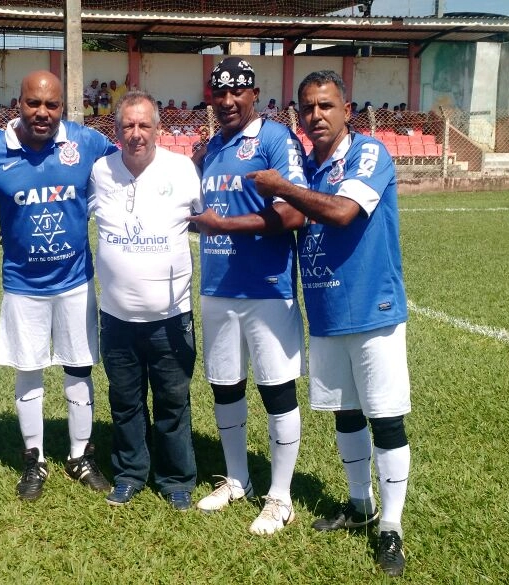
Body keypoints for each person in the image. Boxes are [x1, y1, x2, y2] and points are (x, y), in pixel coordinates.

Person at [247, 69, 411, 577]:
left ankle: (392, 528)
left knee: (385, 418)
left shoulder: (367, 154)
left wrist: (281, 188)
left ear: (347, 109)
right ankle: (360, 505)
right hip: (326, 312)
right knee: (345, 413)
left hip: (372, 309)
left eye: (327, 106)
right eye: (308, 108)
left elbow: (341, 213)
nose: (317, 116)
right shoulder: (308, 168)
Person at [0, 70, 119, 501]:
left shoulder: (85, 142)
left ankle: (79, 455)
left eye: (51, 105)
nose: (42, 113)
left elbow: (126, 167)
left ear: (62, 108)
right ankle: (33, 458)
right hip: (22, 284)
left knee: (78, 366)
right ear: (18, 103)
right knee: (29, 369)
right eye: (34, 104)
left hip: (75, 280)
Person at [189, 57, 307, 535]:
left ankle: (280, 495)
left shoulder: (276, 140)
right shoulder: (213, 147)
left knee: (276, 390)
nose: (229, 101)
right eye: (220, 93)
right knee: (226, 386)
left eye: (238, 92)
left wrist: (224, 225)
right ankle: (237, 478)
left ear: (254, 94)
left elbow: (295, 212)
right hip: (218, 287)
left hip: (266, 288)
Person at [89, 91, 201, 511]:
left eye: (144, 126)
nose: (136, 134)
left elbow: (207, 219)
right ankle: (130, 472)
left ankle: (176, 479)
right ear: (116, 130)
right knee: (125, 400)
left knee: (173, 401)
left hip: (171, 316)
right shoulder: (100, 171)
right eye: (128, 126)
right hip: (116, 315)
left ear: (158, 129)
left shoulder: (182, 169)